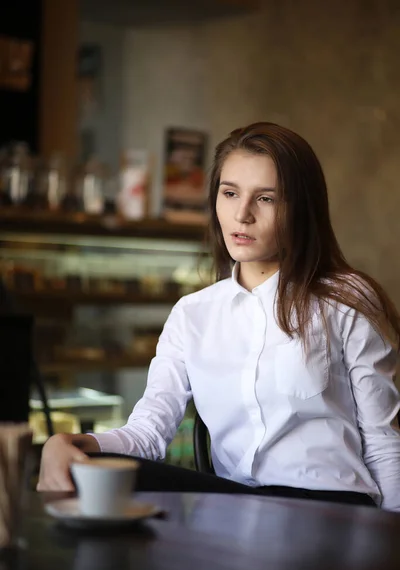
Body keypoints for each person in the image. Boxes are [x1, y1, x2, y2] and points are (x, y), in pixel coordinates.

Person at [38, 122, 400, 510]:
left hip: (328, 507)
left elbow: (383, 441)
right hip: (237, 506)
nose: (242, 215)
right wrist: (69, 443)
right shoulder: (192, 314)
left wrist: (389, 546)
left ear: (301, 209)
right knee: (84, 465)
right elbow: (148, 434)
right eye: (229, 193)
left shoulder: (345, 300)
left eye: (266, 199)